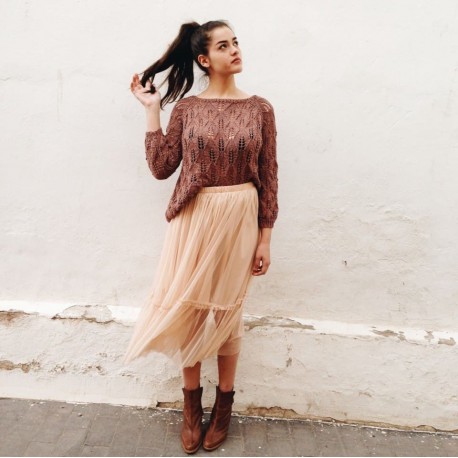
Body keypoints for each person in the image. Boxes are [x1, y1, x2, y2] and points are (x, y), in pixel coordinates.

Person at [123, 19, 278, 454]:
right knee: (189, 308)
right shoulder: (187, 109)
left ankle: (224, 404)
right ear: (204, 59)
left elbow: (269, 174)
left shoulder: (260, 109)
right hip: (194, 217)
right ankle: (191, 406)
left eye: (236, 42)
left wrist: (265, 236)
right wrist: (152, 110)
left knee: (228, 311)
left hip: (240, 215)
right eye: (224, 45)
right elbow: (161, 167)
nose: (235, 50)